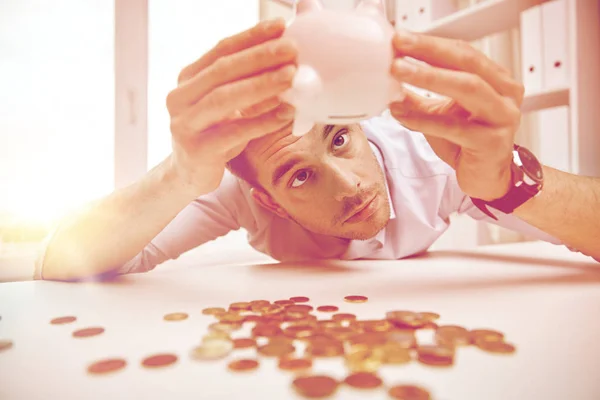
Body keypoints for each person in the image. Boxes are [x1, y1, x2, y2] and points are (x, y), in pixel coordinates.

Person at [37, 19, 600, 281]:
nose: (350, 184)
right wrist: (180, 177)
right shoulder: (237, 191)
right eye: (298, 178)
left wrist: (507, 181)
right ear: (271, 204)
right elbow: (62, 264)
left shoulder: (435, 160)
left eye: (339, 139)